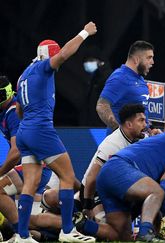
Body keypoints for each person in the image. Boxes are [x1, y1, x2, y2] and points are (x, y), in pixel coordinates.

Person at [14, 22, 97, 243]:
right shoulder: (44, 68)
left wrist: (29, 127)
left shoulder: (24, 75)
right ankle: (68, 231)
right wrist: (84, 33)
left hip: (25, 132)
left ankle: (22, 235)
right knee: (67, 177)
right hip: (40, 130)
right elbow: (65, 53)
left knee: (30, 184)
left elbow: (19, 109)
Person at [76, 127, 165, 241]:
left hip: (110, 175)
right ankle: (145, 234)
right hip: (120, 167)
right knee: (156, 192)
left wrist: (87, 205)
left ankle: (83, 225)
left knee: (121, 234)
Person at [0, 76, 52, 241]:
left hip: (37, 164)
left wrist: (1, 171)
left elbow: (15, 152)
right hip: (34, 162)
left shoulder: (12, 112)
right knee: (6, 200)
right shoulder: (6, 110)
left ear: (6, 94)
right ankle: (35, 235)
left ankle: (20, 234)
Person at [96, 40, 154, 134]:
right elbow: (101, 106)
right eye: (149, 58)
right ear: (136, 59)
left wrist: (150, 130)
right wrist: (120, 133)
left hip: (138, 142)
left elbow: (143, 112)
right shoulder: (120, 78)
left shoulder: (140, 79)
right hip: (121, 146)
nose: (152, 62)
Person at [80, 53, 112, 126]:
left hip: (102, 124)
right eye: (86, 61)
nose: (87, 63)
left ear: (100, 61)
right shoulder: (92, 79)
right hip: (91, 123)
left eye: (91, 60)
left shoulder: (108, 77)